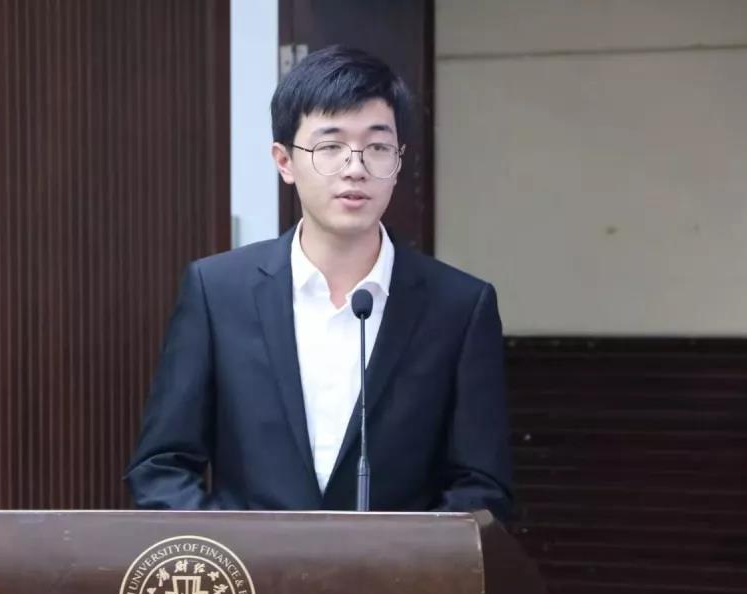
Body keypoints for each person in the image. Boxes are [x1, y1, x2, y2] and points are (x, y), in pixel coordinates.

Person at [124, 45, 513, 519]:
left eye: (377, 148)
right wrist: (230, 548)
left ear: (398, 161)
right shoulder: (218, 291)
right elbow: (161, 467)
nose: (355, 168)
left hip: (396, 567)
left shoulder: (459, 307)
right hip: (251, 563)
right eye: (330, 147)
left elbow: (482, 486)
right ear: (284, 161)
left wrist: (413, 553)